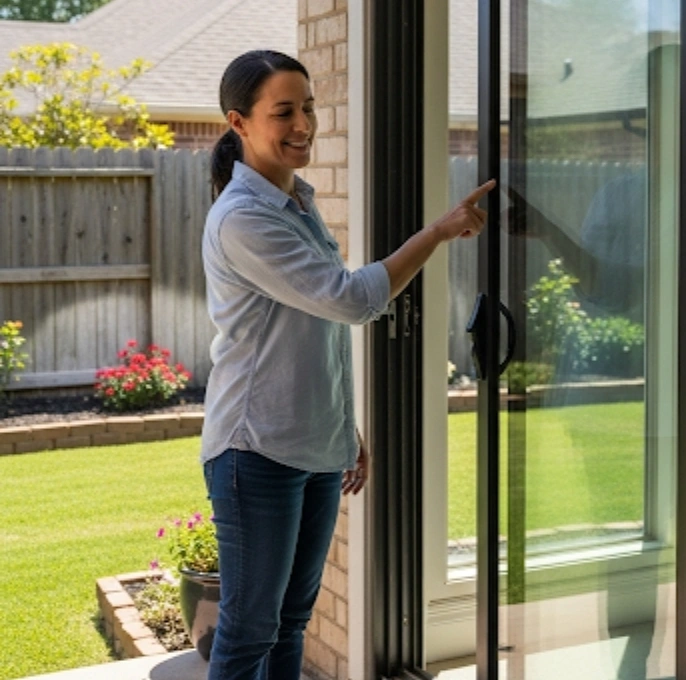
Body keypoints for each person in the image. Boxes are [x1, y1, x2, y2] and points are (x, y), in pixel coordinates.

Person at [200, 49, 494, 680]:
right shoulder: (244, 218)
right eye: (284, 111)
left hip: (310, 444)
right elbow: (350, 300)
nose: (304, 123)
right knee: (249, 633)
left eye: (308, 107)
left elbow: (311, 332)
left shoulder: (296, 201)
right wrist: (438, 232)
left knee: (291, 626)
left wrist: (343, 428)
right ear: (238, 122)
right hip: (255, 450)